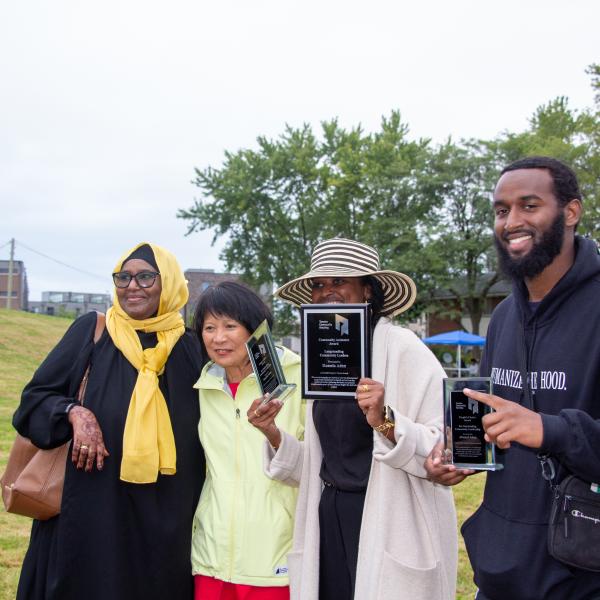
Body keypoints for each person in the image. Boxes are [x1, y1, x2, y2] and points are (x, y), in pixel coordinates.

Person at [425, 157, 600, 599]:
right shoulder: (503, 317)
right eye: (502, 211)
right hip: (501, 573)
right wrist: (459, 451)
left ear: (571, 212)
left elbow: (542, 429)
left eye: (529, 205)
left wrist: (549, 428)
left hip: (582, 575)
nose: (512, 222)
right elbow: (491, 419)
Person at [249, 238, 457, 600]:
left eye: (339, 281)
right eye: (318, 284)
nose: (327, 291)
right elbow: (323, 464)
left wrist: (385, 418)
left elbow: (448, 447)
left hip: (390, 518)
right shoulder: (323, 358)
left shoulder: (403, 348)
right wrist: (273, 433)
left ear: (368, 291)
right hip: (329, 519)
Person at [13, 242, 205, 600]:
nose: (132, 286)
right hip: (91, 515)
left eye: (146, 276)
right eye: (124, 277)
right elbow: (33, 403)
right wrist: (75, 412)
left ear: (170, 283)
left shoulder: (192, 348)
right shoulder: (94, 333)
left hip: (167, 526)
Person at [190, 281, 305, 600]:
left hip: (275, 557)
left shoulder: (298, 377)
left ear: (255, 329)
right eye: (209, 327)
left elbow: (317, 463)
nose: (218, 337)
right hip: (211, 557)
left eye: (230, 326)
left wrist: (273, 434)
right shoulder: (203, 387)